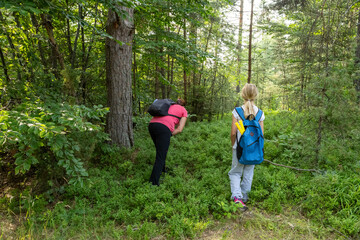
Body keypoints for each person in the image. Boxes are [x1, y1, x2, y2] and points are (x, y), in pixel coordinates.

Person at [229, 83, 265, 209]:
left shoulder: (237, 111)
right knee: (249, 172)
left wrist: (233, 145)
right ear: (256, 95)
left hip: (239, 148)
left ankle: (237, 198)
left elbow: (233, 133)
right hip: (254, 150)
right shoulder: (260, 113)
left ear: (243, 95)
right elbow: (262, 135)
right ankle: (244, 196)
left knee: (235, 172)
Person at [148, 98, 188, 186]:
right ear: (183, 105)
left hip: (152, 125)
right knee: (160, 156)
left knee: (160, 151)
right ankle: (153, 183)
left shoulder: (168, 105)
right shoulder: (183, 110)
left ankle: (163, 170)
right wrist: (167, 135)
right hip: (164, 128)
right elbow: (180, 129)